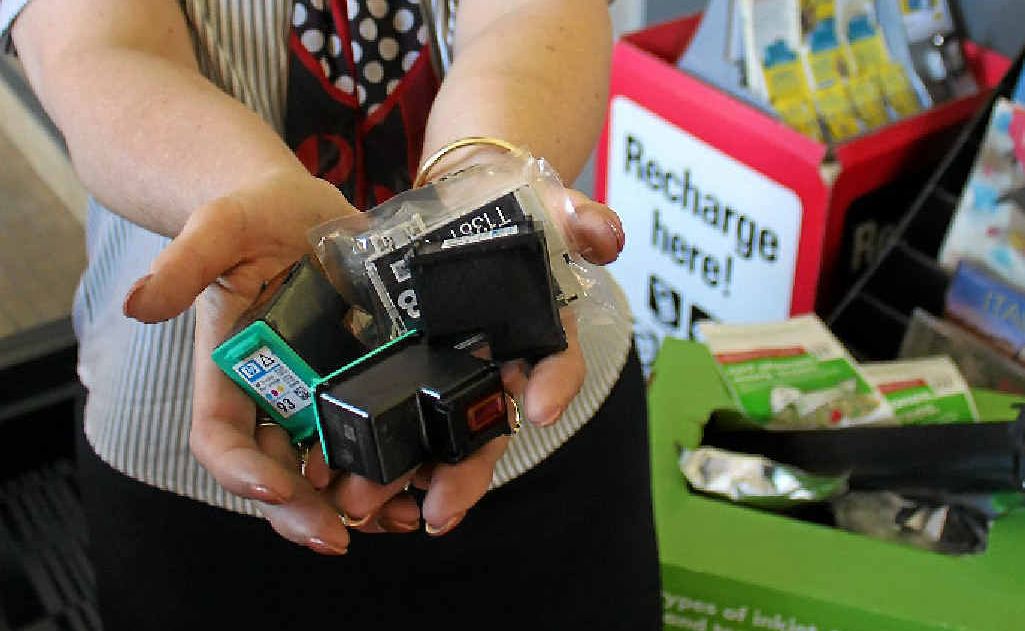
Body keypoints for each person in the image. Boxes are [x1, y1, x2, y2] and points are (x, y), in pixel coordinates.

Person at [5, 0, 660, 628]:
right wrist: (249, 200)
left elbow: (531, 13)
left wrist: (484, 188)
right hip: (186, 431)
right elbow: (97, 47)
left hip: (537, 426)